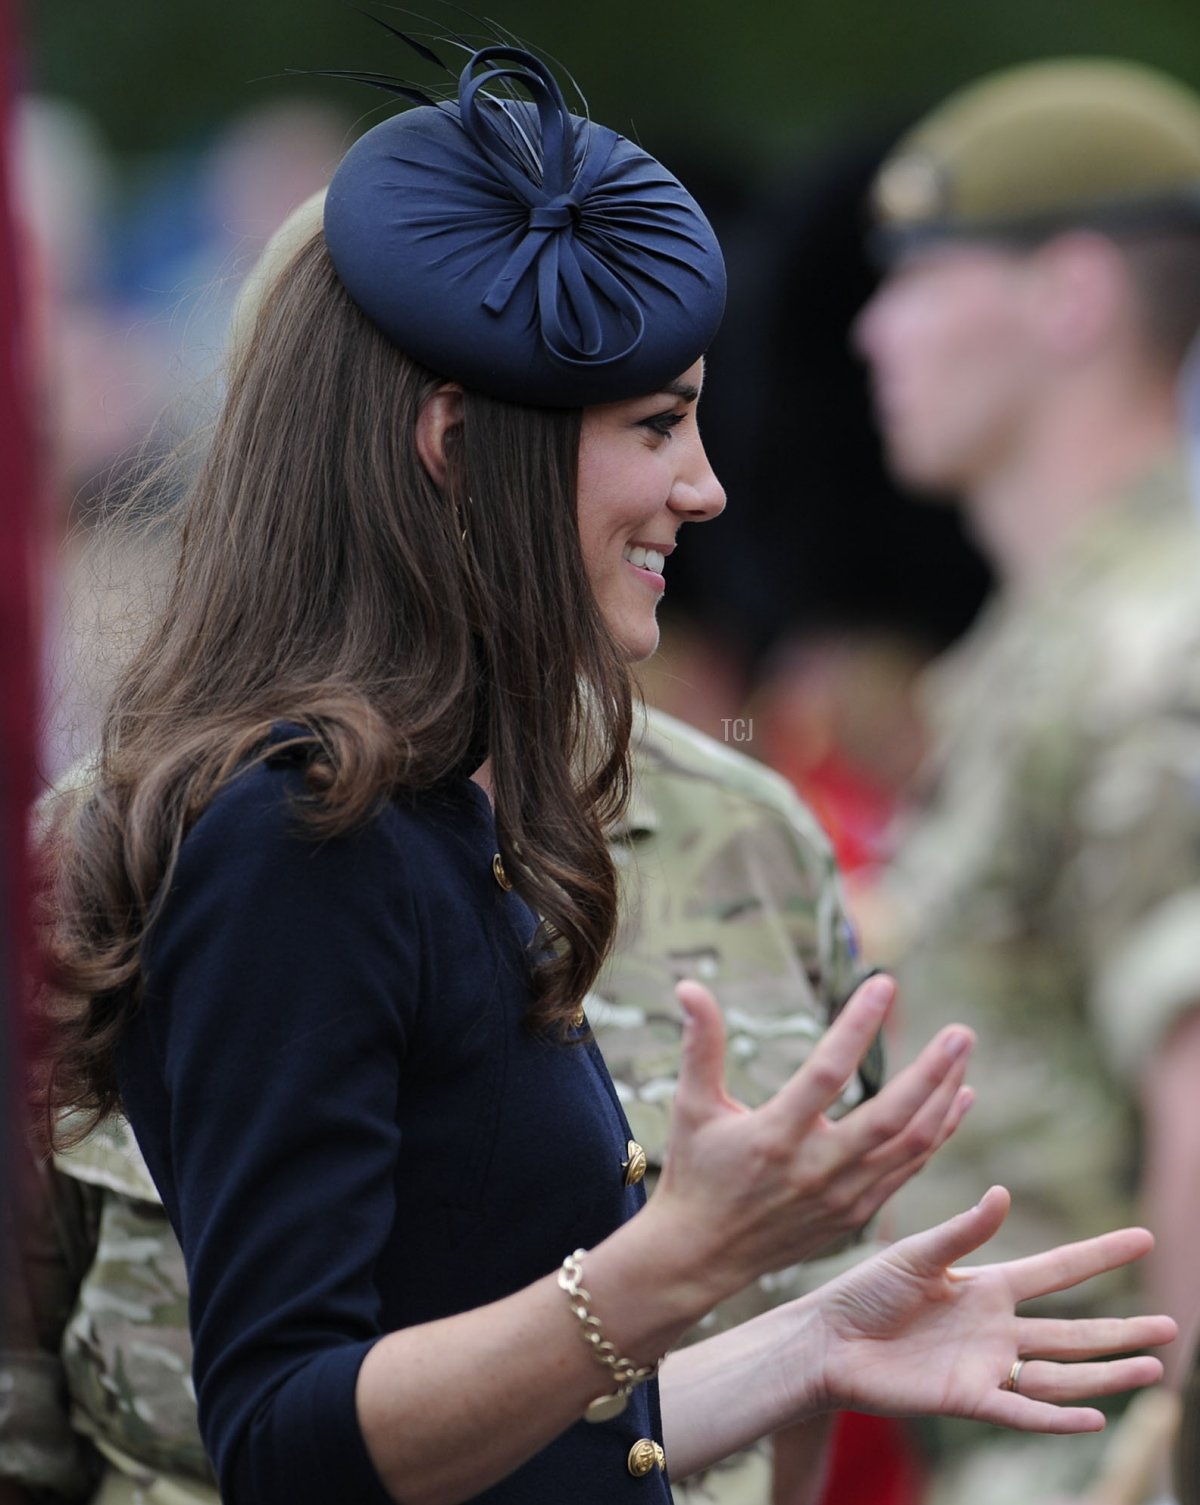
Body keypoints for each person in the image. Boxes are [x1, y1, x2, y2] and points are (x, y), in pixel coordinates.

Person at [35, 39, 1172, 1505]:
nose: (703, 486)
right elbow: (291, 1441)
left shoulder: (444, 816)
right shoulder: (298, 829)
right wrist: (674, 1259)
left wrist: (815, 1335)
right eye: (654, 425)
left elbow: (514, 1452)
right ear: (457, 445)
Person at [853, 56, 1200, 1503]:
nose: (876, 330)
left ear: (1071, 293)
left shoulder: (1151, 647)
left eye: (922, 272)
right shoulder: (1049, 646)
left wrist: (1162, 1456)